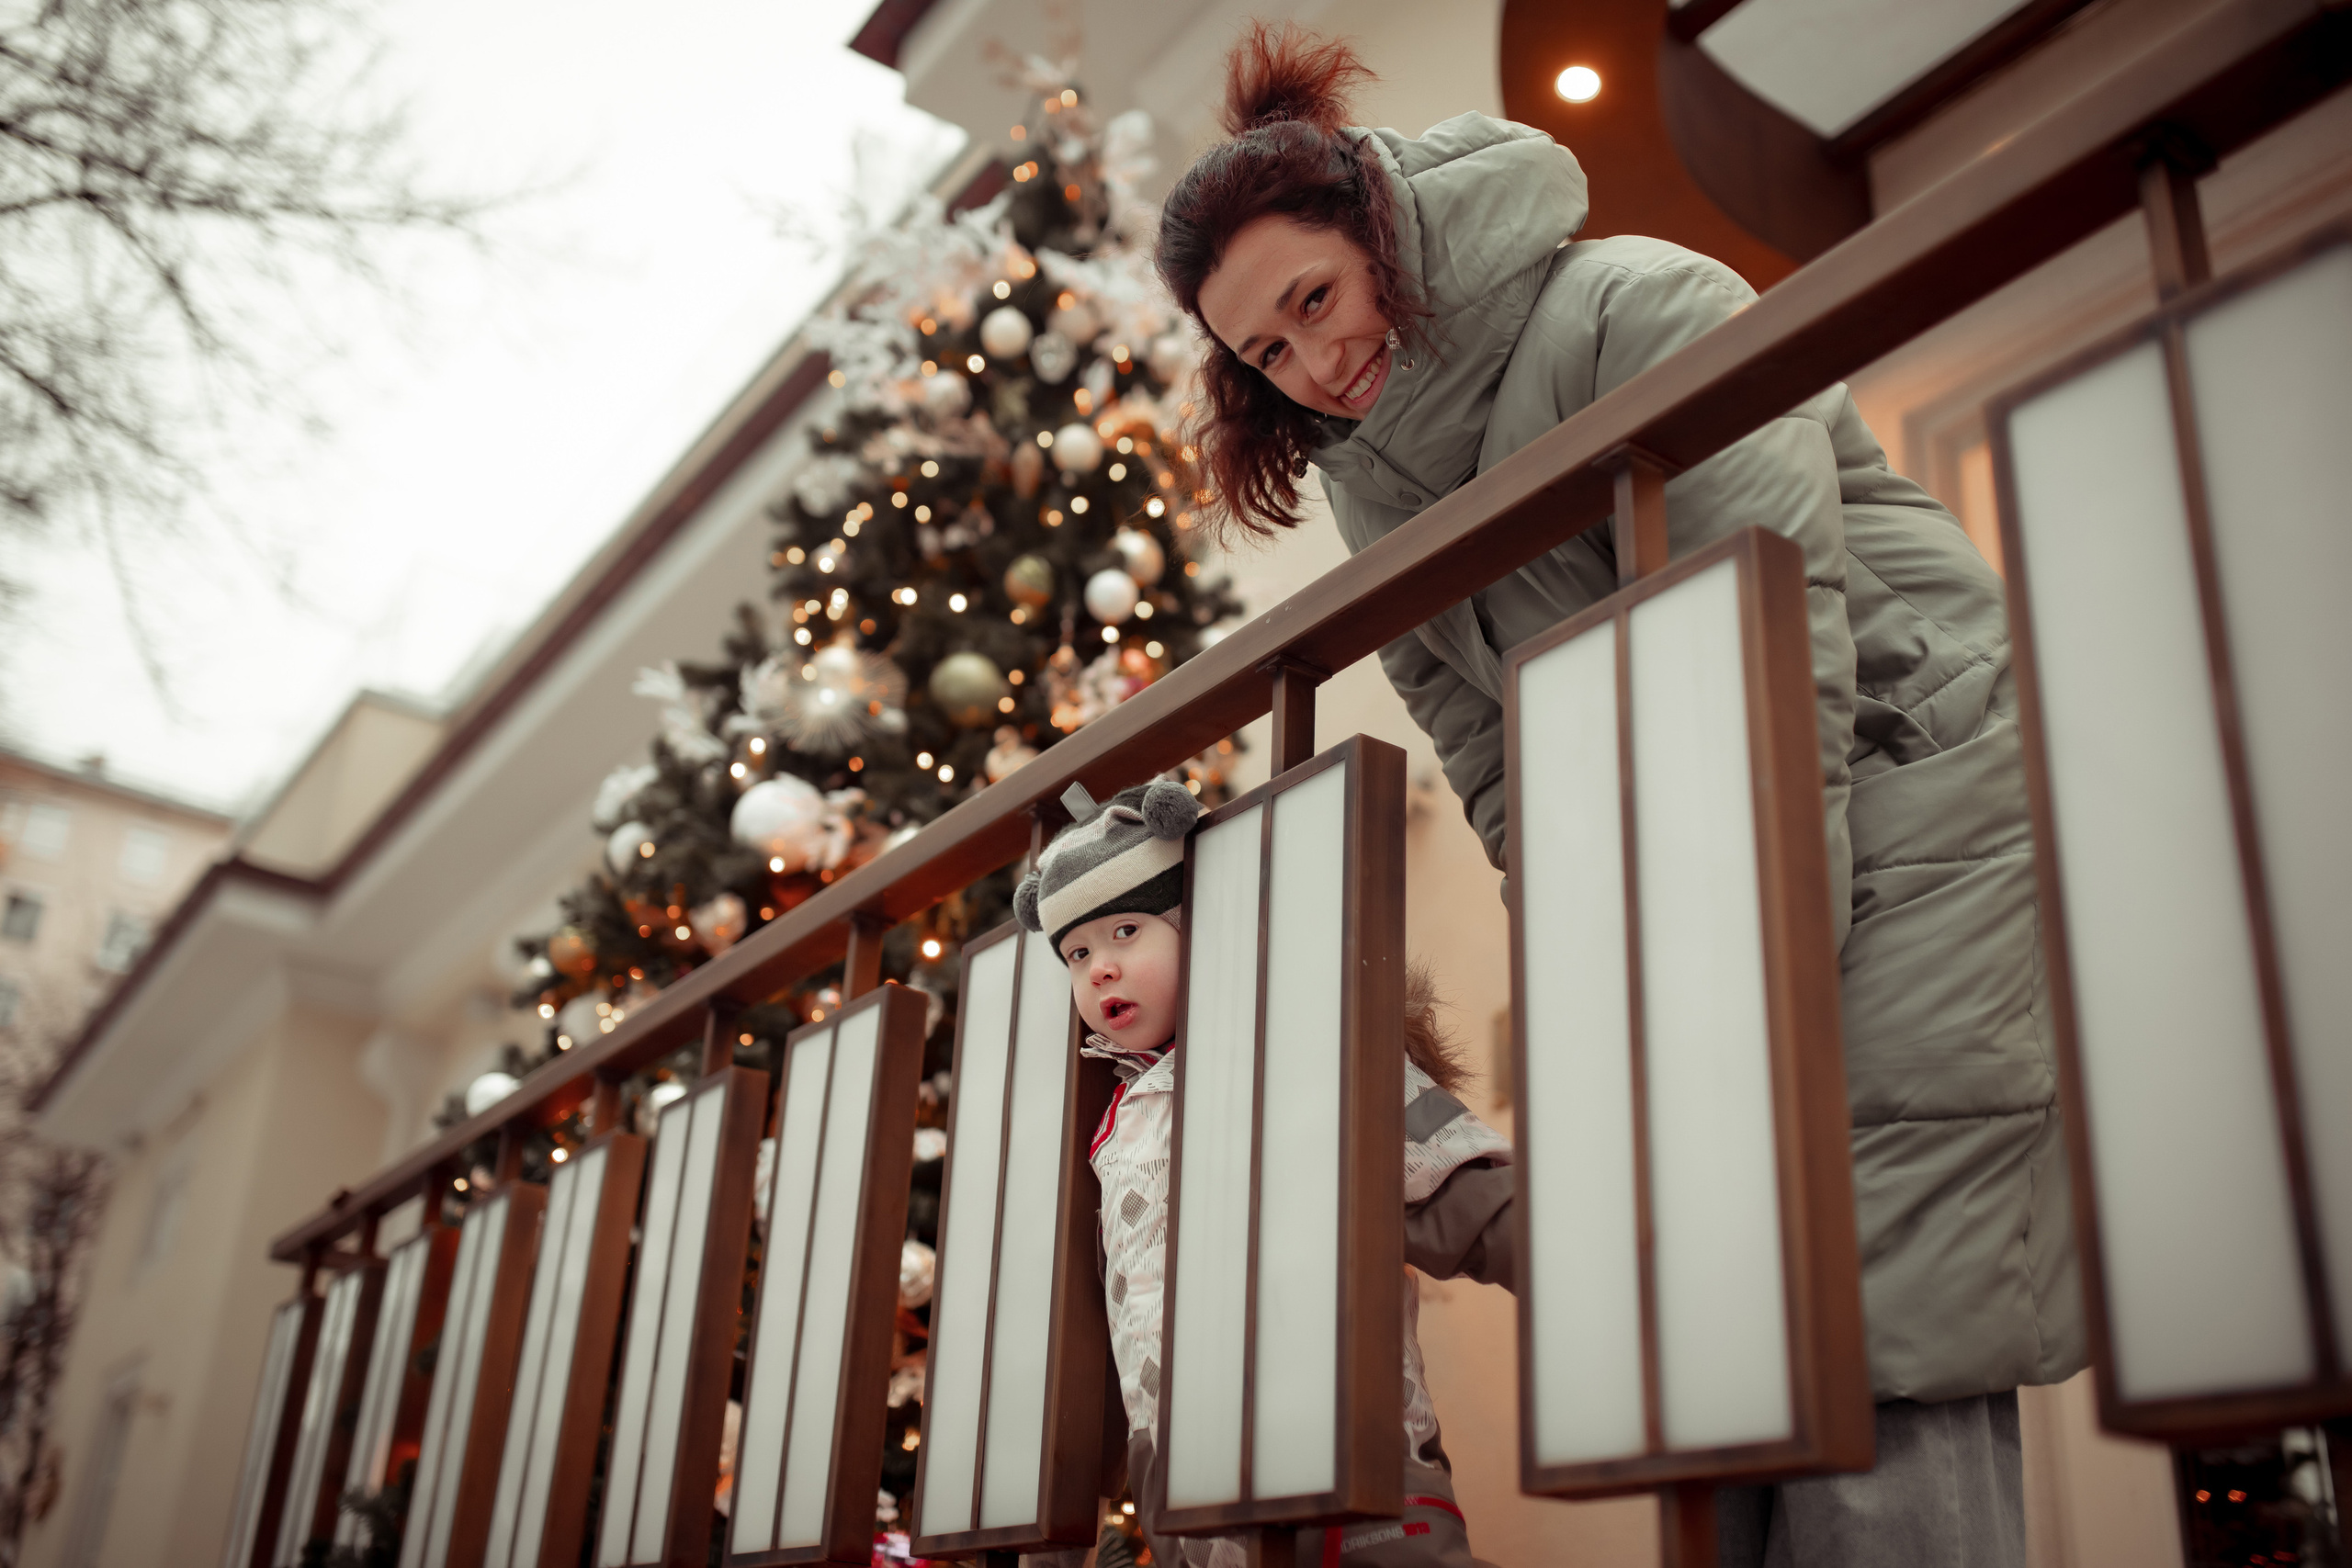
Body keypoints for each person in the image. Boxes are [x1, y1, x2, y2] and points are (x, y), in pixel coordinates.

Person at [1152, 23, 2084, 1568]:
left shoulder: (1636, 302)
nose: (1314, 366)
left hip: (1899, 802)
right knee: (1731, 1329)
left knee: (1885, 1293)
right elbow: (1500, 767)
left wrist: (1739, 977)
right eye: (1266, 353)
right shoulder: (1375, 492)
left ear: (1380, 232)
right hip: (1700, 870)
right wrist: (1609, 981)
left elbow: (1776, 648)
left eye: (1312, 301)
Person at [1013, 780, 1515, 1568]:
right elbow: (1115, 1325)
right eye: (1078, 954)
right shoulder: (1119, 1128)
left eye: (1126, 930)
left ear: (1201, 926)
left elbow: (1453, 1186)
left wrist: (1590, 1262)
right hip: (1186, 1490)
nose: (1101, 969)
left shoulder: (1307, 1050)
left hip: (1341, 1443)